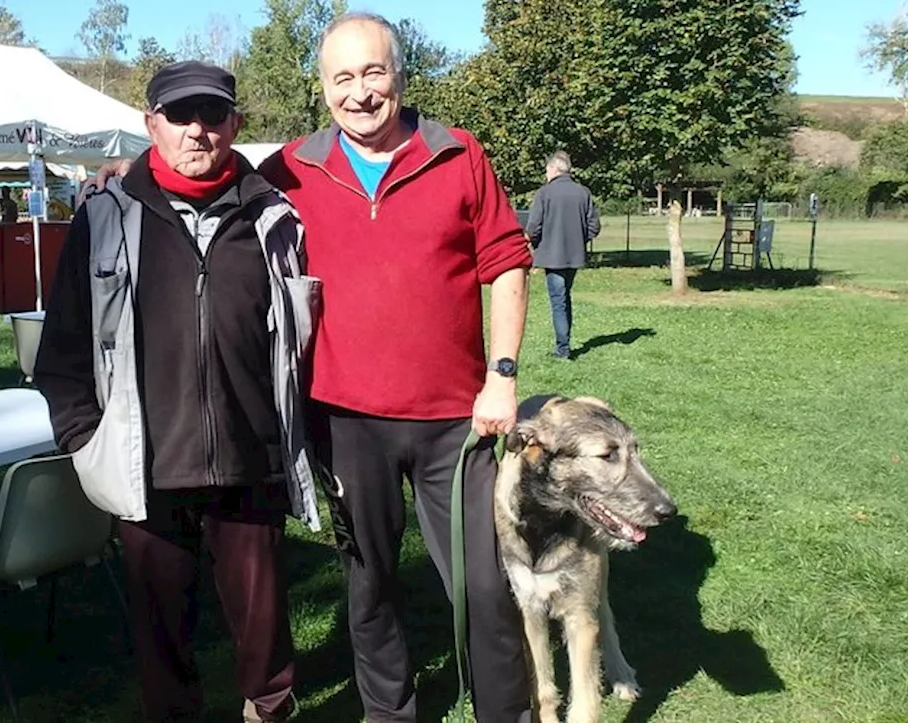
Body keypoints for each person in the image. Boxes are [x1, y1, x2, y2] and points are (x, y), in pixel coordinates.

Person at [96, 13, 534, 722]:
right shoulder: (293, 167)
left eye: (373, 73)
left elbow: (508, 263)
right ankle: (389, 711)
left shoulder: (459, 153)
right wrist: (133, 169)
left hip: (456, 419)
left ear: (399, 73)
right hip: (343, 417)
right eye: (343, 78)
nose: (360, 93)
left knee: (482, 583)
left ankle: (505, 712)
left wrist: (504, 374)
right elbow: (212, 171)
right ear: (322, 87)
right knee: (371, 585)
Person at [33, 60, 320, 723]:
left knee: (265, 640)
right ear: (150, 125)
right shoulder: (105, 216)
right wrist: (85, 438)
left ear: (235, 125)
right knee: (162, 645)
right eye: (181, 115)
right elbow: (64, 349)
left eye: (213, 115)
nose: (198, 130)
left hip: (251, 462)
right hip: (146, 467)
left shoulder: (275, 217)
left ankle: (269, 711)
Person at [525, 150, 600, 359]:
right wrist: (581, 240)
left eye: (547, 170)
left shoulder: (544, 193)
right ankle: (564, 344)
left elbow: (533, 227)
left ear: (554, 169)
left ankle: (563, 349)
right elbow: (594, 225)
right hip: (574, 256)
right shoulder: (583, 192)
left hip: (552, 256)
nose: (546, 174)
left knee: (558, 300)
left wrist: (534, 242)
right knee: (564, 297)